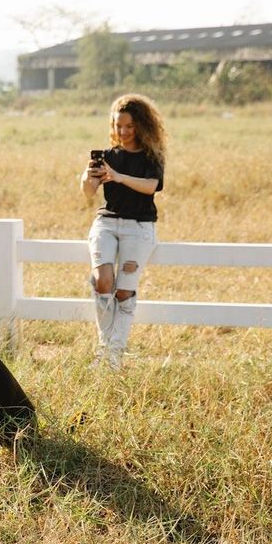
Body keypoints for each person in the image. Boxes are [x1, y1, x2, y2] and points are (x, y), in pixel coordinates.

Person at [79, 93, 166, 370]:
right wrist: (87, 177)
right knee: (102, 281)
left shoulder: (152, 156)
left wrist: (118, 177)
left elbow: (152, 186)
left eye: (129, 126)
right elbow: (89, 193)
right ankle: (107, 349)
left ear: (141, 125)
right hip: (107, 223)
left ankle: (111, 356)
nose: (123, 132)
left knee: (124, 293)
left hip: (139, 227)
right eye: (118, 126)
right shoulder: (107, 156)